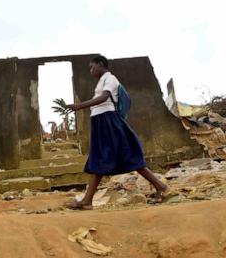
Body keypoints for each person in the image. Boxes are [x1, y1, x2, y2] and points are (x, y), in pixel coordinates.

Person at [65, 55, 169, 209]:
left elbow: (104, 97)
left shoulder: (110, 79)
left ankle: (161, 187)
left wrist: (79, 106)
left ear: (101, 65)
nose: (91, 70)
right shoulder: (102, 81)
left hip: (108, 122)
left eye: (93, 67)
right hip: (101, 122)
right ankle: (87, 201)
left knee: (119, 157)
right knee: (102, 159)